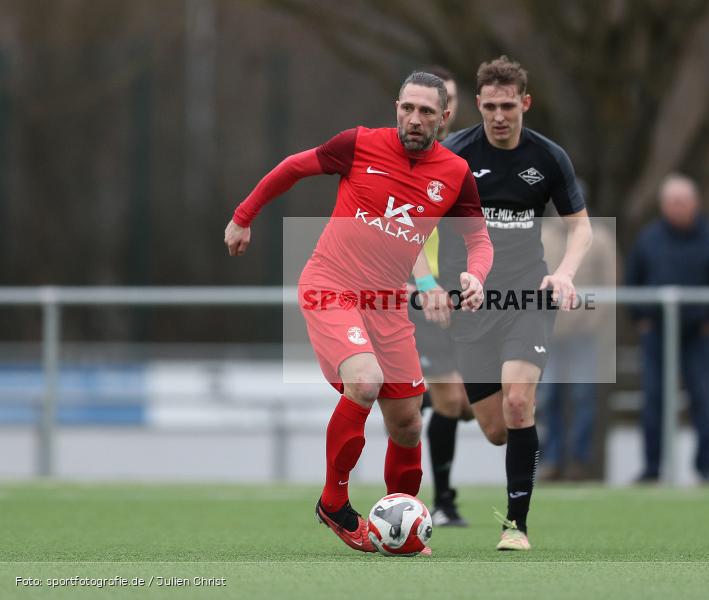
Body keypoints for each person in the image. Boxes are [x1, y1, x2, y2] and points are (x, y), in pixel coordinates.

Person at [223, 72, 493, 553]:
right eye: (407, 108)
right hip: (331, 285)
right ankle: (334, 503)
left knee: (408, 422)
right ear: (396, 108)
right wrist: (244, 216)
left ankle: (401, 530)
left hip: (387, 304)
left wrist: (476, 274)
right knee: (365, 381)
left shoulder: (455, 173)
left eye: (426, 111)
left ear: (444, 117)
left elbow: (478, 238)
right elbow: (293, 167)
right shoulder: (359, 144)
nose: (415, 119)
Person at [431, 56, 593, 550]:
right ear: (478, 105)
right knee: (497, 429)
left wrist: (564, 275)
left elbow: (581, 228)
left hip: (527, 296)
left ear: (525, 103)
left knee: (519, 403)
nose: (499, 116)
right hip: (470, 303)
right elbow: (415, 224)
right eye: (490, 107)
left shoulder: (548, 157)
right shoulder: (453, 155)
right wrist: (428, 283)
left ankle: (516, 527)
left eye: (508, 106)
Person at [626, 174, 709, 484]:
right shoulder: (648, 239)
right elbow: (633, 279)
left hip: (698, 334)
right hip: (657, 332)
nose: (677, 207)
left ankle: (705, 469)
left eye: (682, 202)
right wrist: (640, 316)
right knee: (653, 399)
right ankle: (652, 467)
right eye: (672, 202)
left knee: (702, 399)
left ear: (695, 203)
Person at [406, 66, 473, 527]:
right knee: (448, 400)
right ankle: (441, 501)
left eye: (446, 101)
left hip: (462, 295)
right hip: (418, 297)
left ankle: (413, 399)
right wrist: (423, 285)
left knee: (465, 404)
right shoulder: (406, 159)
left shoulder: (464, 164)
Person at [537, 217, 618, 481]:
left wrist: (590, 323)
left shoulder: (600, 238)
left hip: (585, 336)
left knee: (583, 397)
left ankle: (579, 461)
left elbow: (610, 284)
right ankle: (551, 459)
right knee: (549, 397)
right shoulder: (542, 235)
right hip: (549, 335)